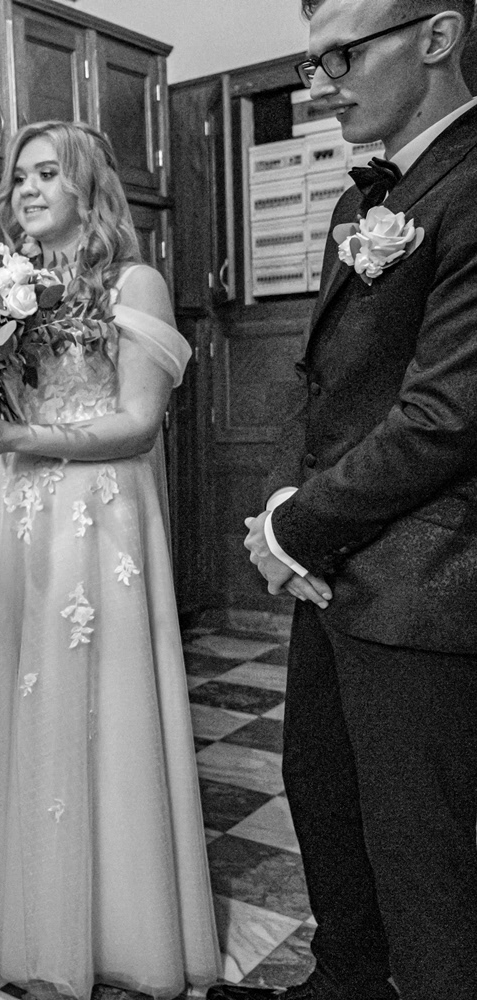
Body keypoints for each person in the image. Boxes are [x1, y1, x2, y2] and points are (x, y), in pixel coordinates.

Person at [225, 3, 477, 999]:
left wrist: (296, 526)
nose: (320, 85)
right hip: (336, 573)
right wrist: (285, 508)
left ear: (436, 37)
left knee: (429, 864)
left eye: (342, 54)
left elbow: (448, 413)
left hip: (429, 584)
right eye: (311, 62)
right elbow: (327, 383)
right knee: (326, 803)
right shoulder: (363, 199)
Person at [0, 122, 218, 1000]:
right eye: (19, 176)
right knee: (22, 694)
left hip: (98, 517)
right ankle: (26, 916)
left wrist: (18, 438)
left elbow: (137, 424)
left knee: (101, 701)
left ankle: (117, 926)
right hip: (16, 516)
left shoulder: (134, 282)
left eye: (48, 173)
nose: (27, 189)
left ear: (87, 186)